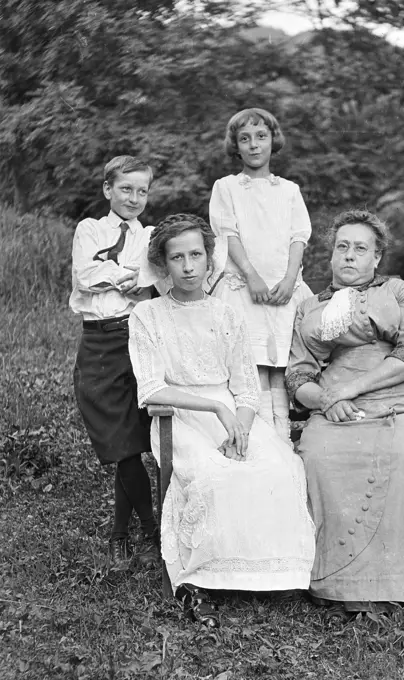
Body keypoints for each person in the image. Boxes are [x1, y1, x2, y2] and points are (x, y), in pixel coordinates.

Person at [285, 208, 404, 611]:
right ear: (331, 255)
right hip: (334, 407)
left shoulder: (400, 292)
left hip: (401, 398)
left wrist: (350, 391)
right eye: (342, 247)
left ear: (377, 257)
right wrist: (325, 400)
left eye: (361, 248)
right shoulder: (309, 309)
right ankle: (341, 586)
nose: (350, 256)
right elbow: (299, 376)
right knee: (319, 457)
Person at [128, 214, 315, 627]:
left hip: (234, 415)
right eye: (178, 257)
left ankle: (272, 572)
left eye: (197, 254)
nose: (189, 266)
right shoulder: (148, 315)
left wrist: (242, 427)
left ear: (210, 259)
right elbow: (151, 389)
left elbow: (247, 388)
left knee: (283, 466)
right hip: (179, 416)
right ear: (163, 264)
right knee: (214, 477)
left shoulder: (227, 314)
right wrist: (215, 409)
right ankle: (201, 581)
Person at [71, 155, 159, 571]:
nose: (134, 198)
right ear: (108, 190)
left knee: (137, 440)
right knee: (119, 443)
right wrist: (128, 275)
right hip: (100, 342)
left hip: (140, 338)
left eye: (142, 191)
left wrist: (120, 274)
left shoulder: (152, 237)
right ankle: (149, 529)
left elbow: (153, 284)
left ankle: (121, 535)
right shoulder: (89, 229)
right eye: (126, 189)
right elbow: (86, 277)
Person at [209, 108, 312, 444]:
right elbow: (228, 233)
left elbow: (299, 236)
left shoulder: (289, 190)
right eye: (245, 139)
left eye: (261, 137)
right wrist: (251, 275)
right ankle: (257, 447)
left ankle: (283, 447)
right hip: (244, 289)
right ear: (236, 146)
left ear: (273, 141)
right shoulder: (226, 187)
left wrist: (289, 279)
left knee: (280, 370)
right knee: (252, 372)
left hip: (283, 290)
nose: (254, 145)